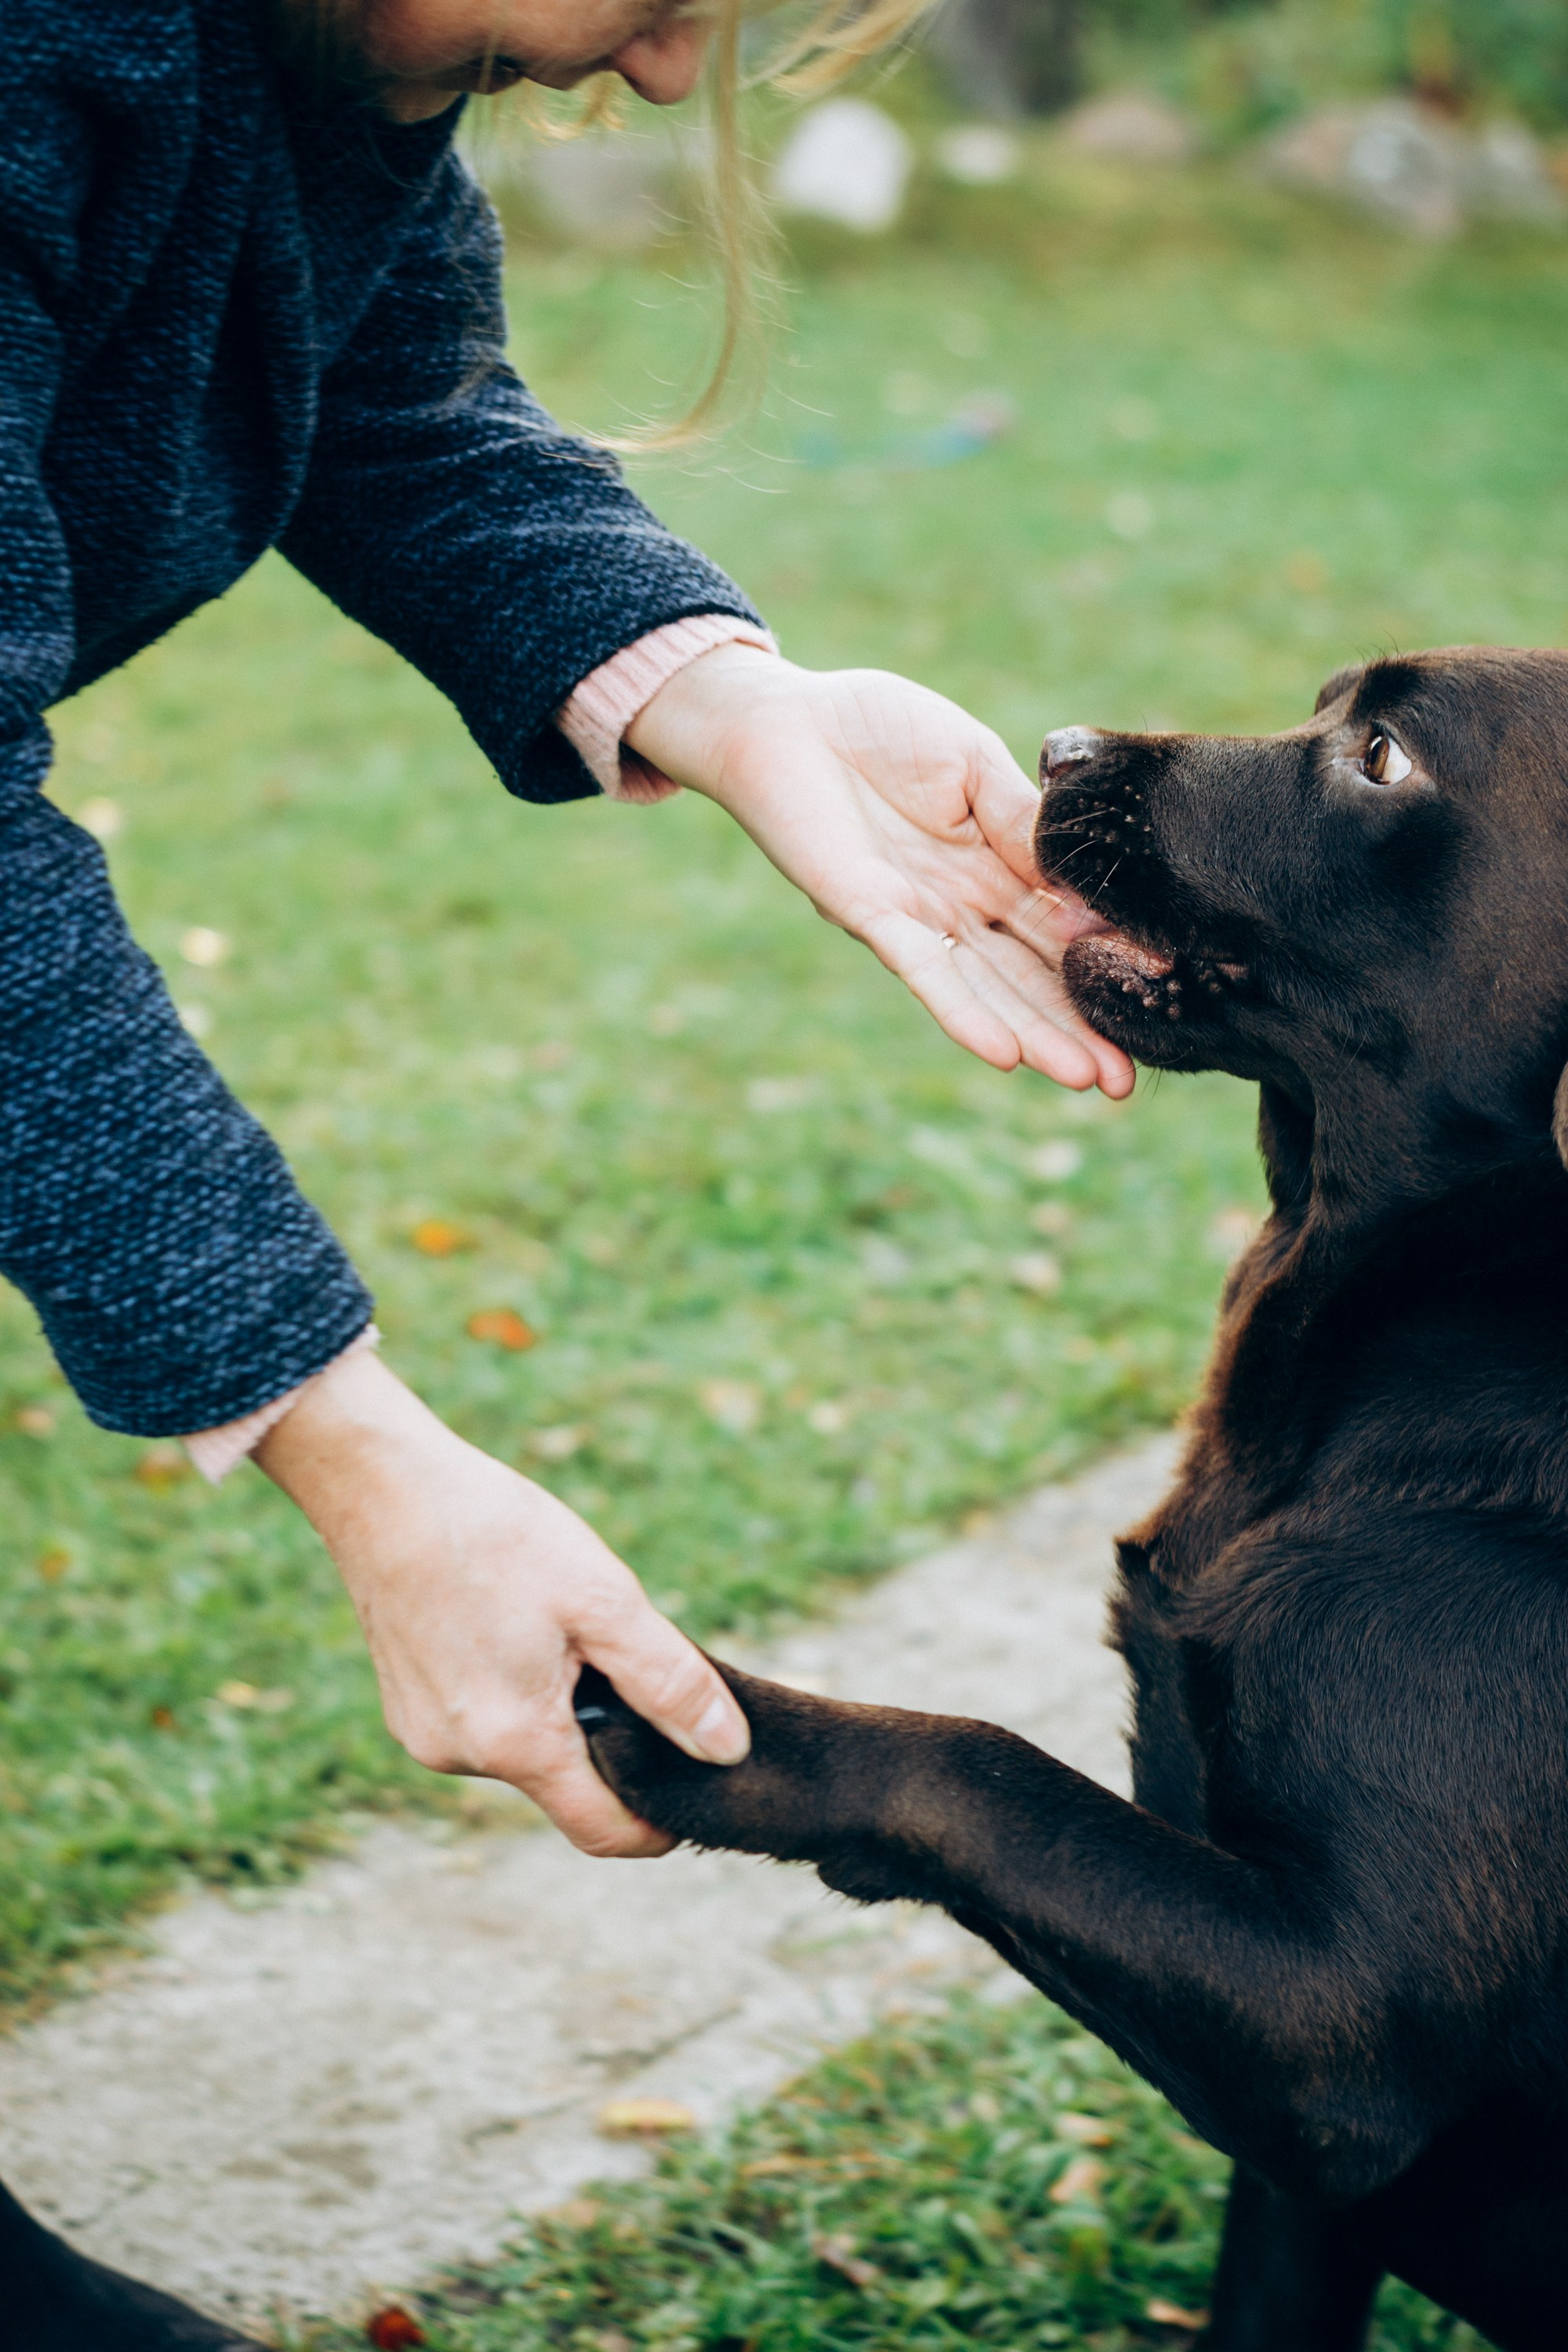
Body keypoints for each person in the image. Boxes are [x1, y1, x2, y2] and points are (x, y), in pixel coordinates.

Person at [0, 2, 1131, 2340]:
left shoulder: (342, 63)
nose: (653, 74)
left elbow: (389, 414)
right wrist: (362, 1451)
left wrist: (734, 702)